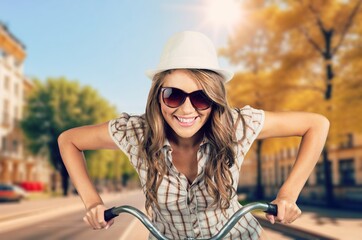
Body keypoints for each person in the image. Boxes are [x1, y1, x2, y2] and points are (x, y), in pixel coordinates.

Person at [58, 31, 329, 239]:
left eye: (200, 98)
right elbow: (68, 140)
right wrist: (93, 202)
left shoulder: (237, 126)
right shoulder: (135, 133)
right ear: (158, 96)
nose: (186, 109)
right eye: (173, 95)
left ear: (214, 99)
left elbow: (316, 124)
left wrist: (288, 195)